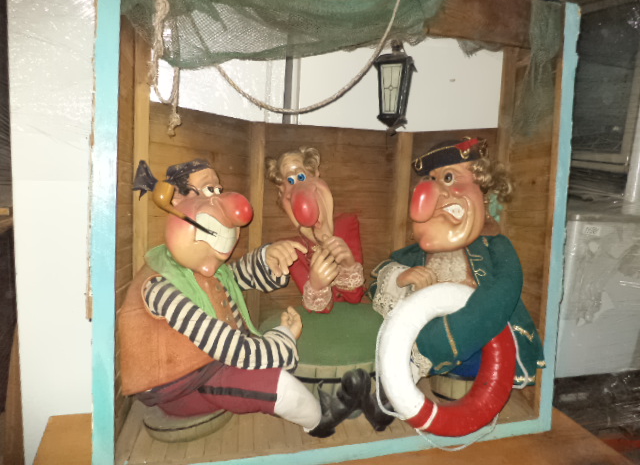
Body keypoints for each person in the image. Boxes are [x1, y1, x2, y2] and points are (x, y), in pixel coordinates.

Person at [117, 158, 369, 438]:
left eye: (218, 190)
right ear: (176, 199)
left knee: (281, 382)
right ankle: (319, 426)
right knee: (285, 391)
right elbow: (228, 347)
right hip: (183, 384)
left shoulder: (203, 271)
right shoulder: (160, 285)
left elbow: (233, 277)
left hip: (211, 366)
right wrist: (283, 338)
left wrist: (268, 258)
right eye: (207, 190)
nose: (223, 201)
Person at [369, 137, 545, 385]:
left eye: (449, 177)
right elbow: (375, 283)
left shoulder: (495, 247)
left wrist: (434, 344)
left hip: (477, 345)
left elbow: (501, 294)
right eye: (431, 180)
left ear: (483, 191)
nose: (437, 191)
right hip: (421, 345)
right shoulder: (416, 254)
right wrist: (401, 278)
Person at [265, 147, 365, 313]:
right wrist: (316, 286)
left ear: (315, 175)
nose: (299, 187)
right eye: (290, 181)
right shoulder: (294, 250)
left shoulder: (347, 224)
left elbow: (355, 297)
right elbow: (321, 310)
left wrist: (349, 265)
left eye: (301, 176)